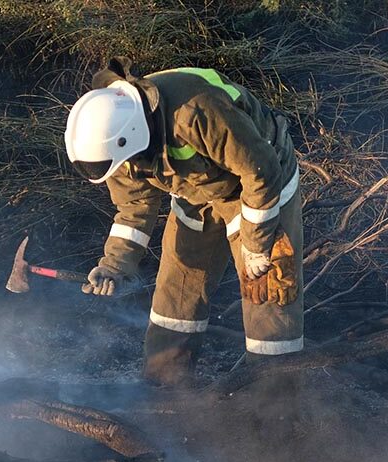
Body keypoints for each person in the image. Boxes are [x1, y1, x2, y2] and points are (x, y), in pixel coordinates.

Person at [64, 58, 303, 387]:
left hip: (260, 182)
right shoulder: (114, 140)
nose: (123, 169)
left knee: (269, 292)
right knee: (177, 291)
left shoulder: (196, 112)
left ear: (132, 135)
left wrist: (258, 245)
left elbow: (259, 173)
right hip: (196, 192)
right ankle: (166, 386)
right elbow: (134, 206)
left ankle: (274, 400)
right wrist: (114, 265)